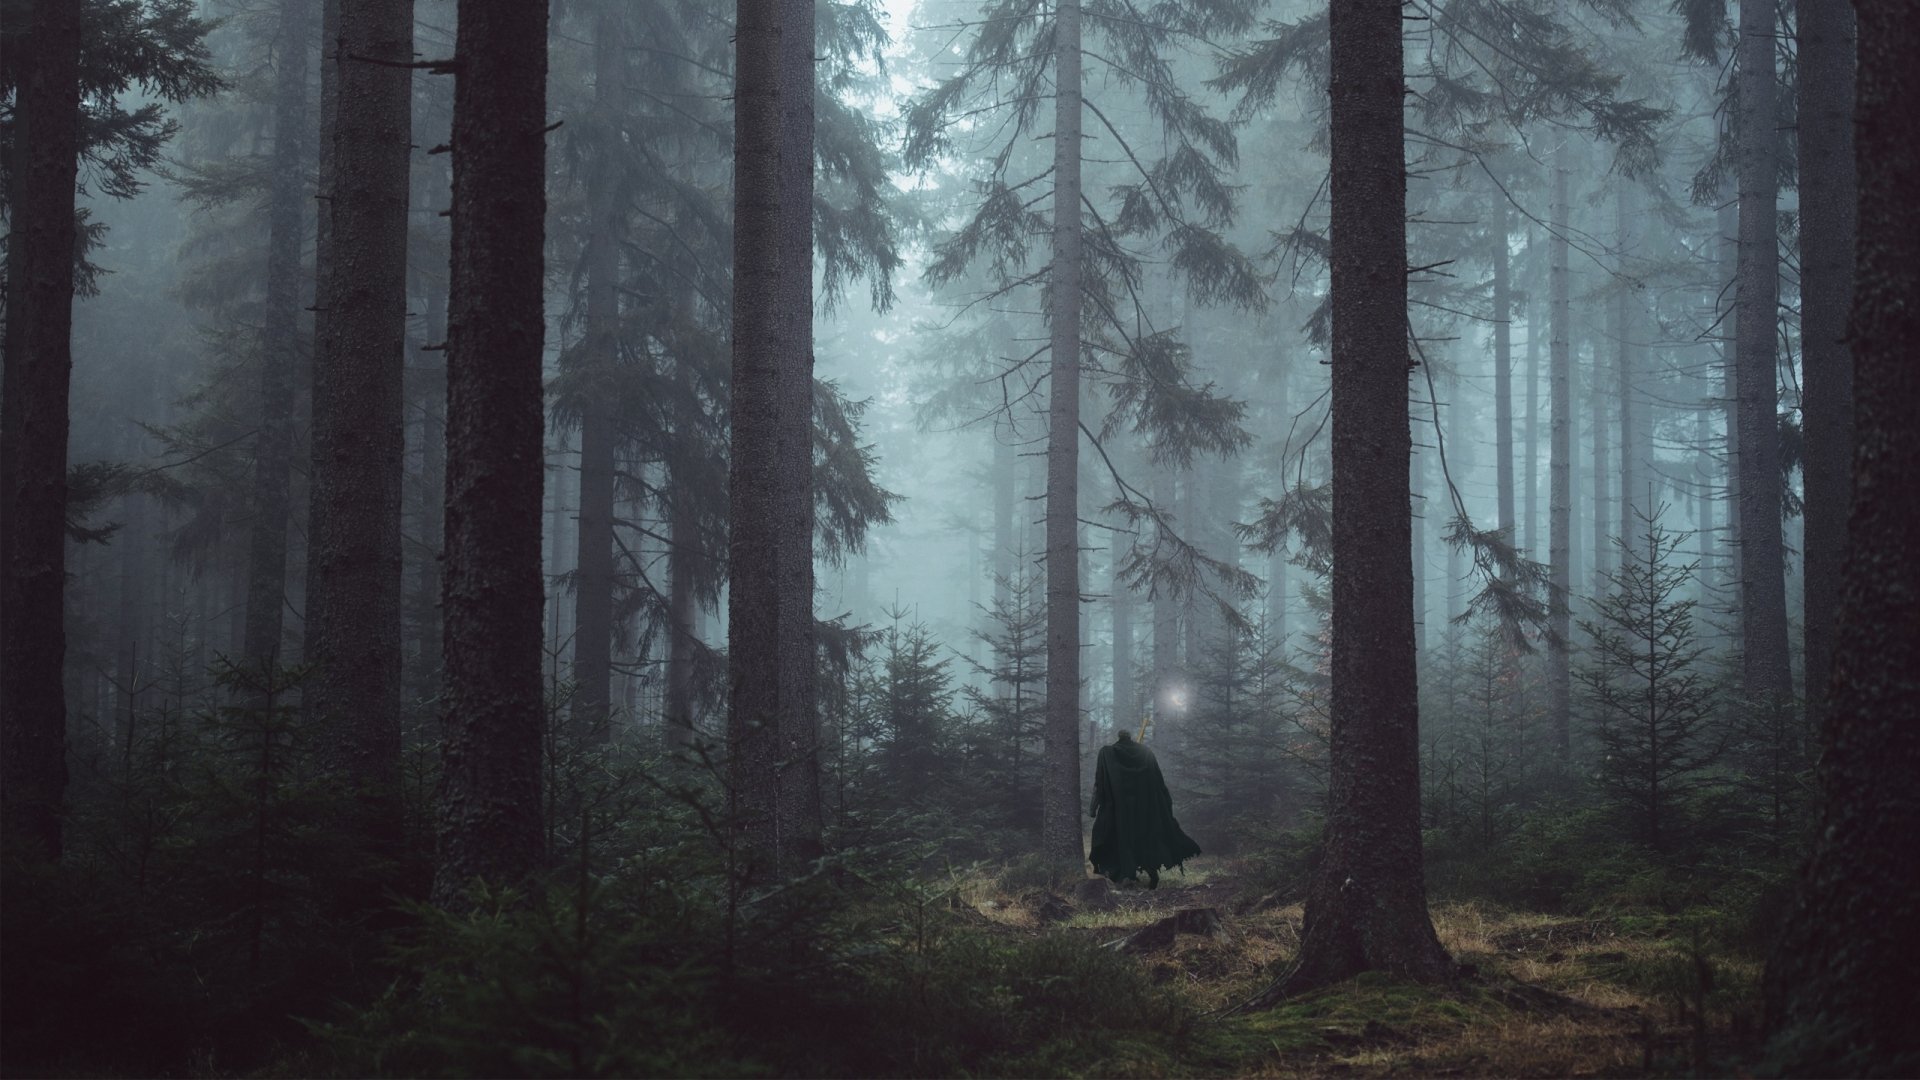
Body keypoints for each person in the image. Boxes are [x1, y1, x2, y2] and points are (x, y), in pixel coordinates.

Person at [1088, 727, 1201, 887]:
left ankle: (1126, 875)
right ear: (1130, 737)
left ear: (1119, 737)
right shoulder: (1146, 753)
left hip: (1118, 811)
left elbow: (1099, 783)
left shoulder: (1107, 753)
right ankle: (1147, 874)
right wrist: (1164, 808)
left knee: (1120, 840)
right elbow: (1159, 784)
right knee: (1143, 840)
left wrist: (1093, 808)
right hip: (1143, 810)